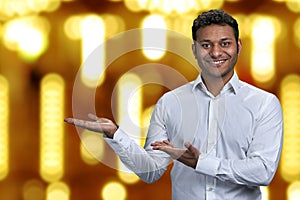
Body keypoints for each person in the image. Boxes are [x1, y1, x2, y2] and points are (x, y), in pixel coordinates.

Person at [64, 9, 283, 200]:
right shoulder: (170, 103)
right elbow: (150, 171)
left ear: (238, 46)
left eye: (224, 44)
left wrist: (201, 162)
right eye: (206, 45)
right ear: (194, 50)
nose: (216, 52)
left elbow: (263, 172)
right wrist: (116, 135)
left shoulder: (263, 104)